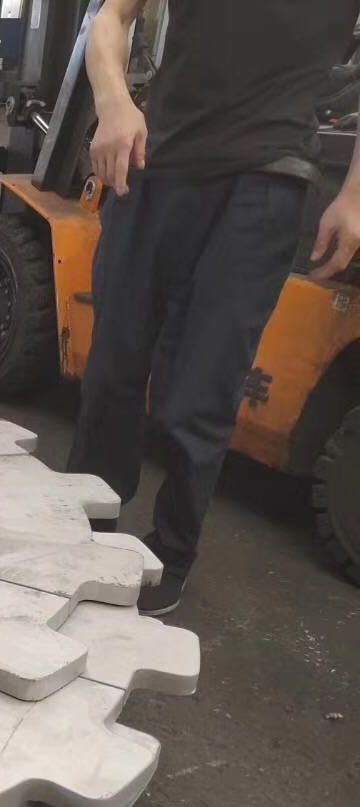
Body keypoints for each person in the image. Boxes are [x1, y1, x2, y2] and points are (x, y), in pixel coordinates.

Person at [68, 0, 360, 616]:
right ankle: (84, 525)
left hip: (268, 179)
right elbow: (112, 16)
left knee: (201, 390)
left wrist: (356, 196)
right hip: (154, 162)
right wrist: (115, 102)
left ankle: (171, 553)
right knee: (112, 368)